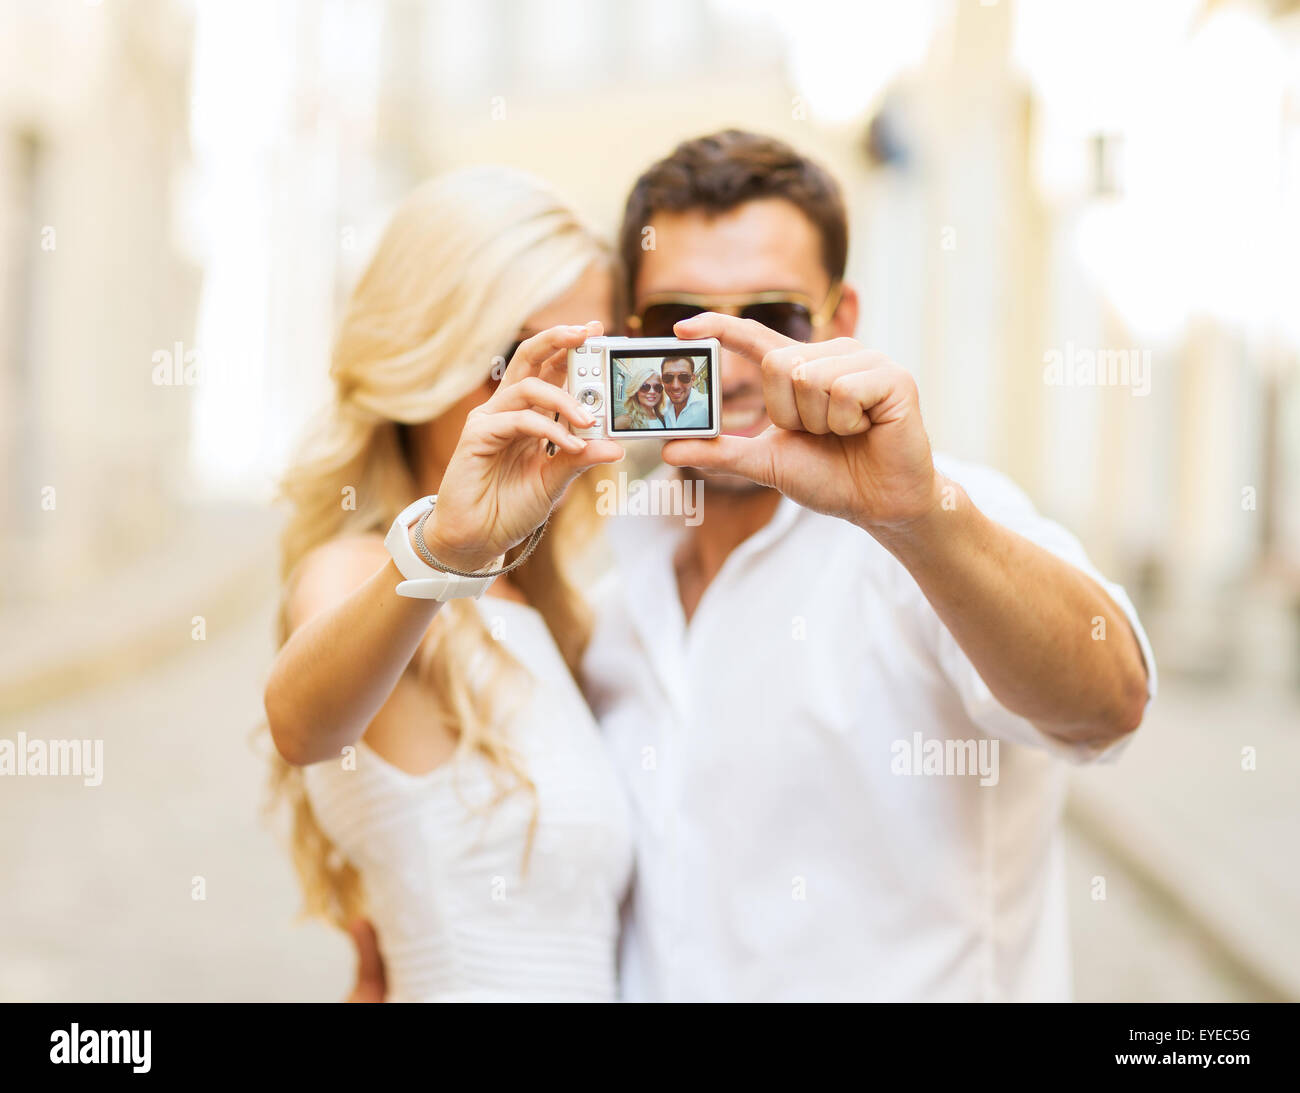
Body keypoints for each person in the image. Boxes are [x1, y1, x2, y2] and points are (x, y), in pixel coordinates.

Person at [349, 130, 1156, 1003]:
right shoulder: (608, 588)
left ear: (840, 323)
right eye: (678, 322)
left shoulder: (940, 527)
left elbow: (1108, 701)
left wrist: (919, 515)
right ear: (629, 341)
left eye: (770, 320)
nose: (728, 362)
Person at [263, 166, 631, 1002]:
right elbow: (300, 721)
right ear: (428, 353)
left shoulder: (546, 604)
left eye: (583, 362)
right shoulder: (368, 573)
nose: (549, 398)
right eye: (518, 359)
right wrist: (439, 550)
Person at [612, 360, 666, 430]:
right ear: (636, 391)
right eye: (645, 387)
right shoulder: (626, 421)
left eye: (657, 387)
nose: (652, 392)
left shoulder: (663, 419)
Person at [659, 355, 710, 429]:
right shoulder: (664, 410)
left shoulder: (707, 406)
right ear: (662, 380)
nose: (675, 386)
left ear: (692, 379)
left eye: (684, 377)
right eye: (668, 377)